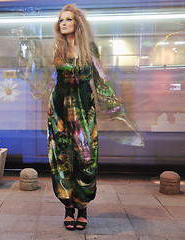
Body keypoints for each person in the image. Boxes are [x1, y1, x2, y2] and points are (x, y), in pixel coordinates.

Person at [47, 4, 143, 230]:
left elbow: (100, 80)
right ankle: (69, 209)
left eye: (67, 19)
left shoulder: (90, 48)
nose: (63, 23)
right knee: (63, 159)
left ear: (77, 23)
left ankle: (83, 207)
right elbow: (50, 79)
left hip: (84, 110)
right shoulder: (56, 48)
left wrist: (118, 113)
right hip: (60, 109)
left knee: (86, 159)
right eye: (61, 20)